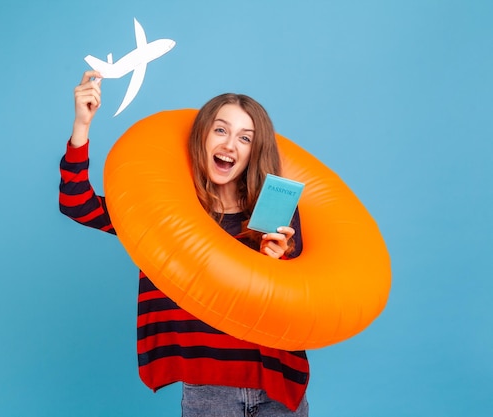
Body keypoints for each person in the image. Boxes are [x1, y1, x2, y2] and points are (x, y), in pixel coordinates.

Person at [59, 70, 310, 417]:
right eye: (220, 130)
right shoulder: (165, 217)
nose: (229, 145)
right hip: (209, 388)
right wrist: (82, 124)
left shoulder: (275, 214)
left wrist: (278, 264)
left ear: (254, 151)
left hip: (278, 383)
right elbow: (77, 204)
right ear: (202, 137)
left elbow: (304, 302)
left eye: (245, 138)